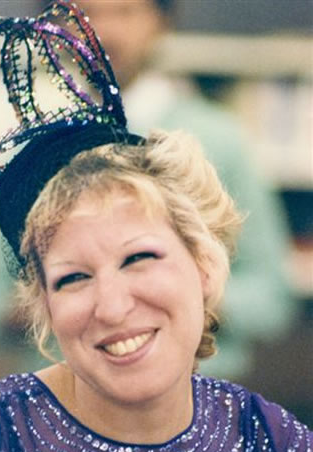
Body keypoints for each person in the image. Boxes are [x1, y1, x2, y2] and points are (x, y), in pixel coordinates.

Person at [0, 2, 311, 452]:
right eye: (73, 277)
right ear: (43, 301)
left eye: (141, 258)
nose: (114, 305)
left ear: (207, 263)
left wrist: (173, 313)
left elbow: (271, 292)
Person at [78, 0, 296, 380]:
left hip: (200, 393)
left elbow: (270, 293)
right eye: (86, 14)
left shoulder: (220, 139)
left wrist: (180, 297)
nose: (105, 31)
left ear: (161, 21)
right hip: (67, 397)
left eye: (125, 12)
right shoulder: (29, 150)